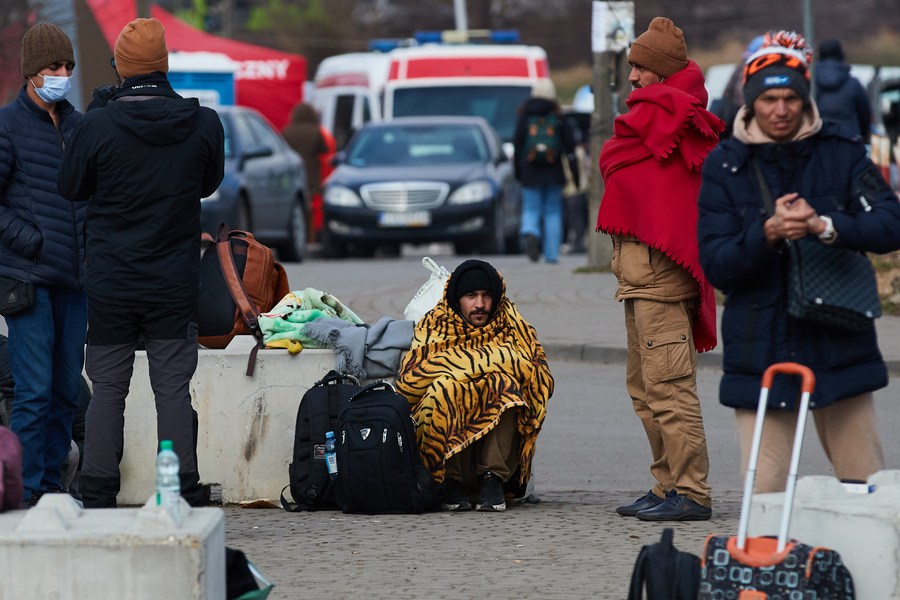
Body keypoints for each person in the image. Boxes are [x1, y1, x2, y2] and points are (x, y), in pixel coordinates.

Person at [698, 30, 900, 493]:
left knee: (864, 491)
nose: (782, 110)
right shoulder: (724, 165)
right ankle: (767, 565)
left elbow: (892, 224)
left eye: (791, 97)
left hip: (839, 335)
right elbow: (717, 263)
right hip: (760, 343)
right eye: (770, 99)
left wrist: (826, 226)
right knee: (764, 495)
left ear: (805, 97)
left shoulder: (842, 150)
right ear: (752, 101)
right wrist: (765, 234)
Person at [57, 17, 225, 508]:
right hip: (173, 280)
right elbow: (208, 183)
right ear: (164, 65)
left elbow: (71, 187)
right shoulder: (204, 123)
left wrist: (95, 118)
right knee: (172, 388)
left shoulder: (98, 124)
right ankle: (180, 488)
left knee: (108, 388)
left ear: (121, 68)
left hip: (111, 281)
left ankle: (99, 491)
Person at [596, 16, 723, 521]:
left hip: (662, 279)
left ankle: (692, 493)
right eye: (630, 66)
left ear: (663, 72)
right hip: (636, 276)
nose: (632, 77)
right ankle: (667, 484)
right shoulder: (652, 120)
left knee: (670, 389)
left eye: (641, 68)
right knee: (644, 391)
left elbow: (681, 204)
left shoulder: (678, 121)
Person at [0, 23, 87, 508]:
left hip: (76, 282)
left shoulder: (79, 126)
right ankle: (26, 493)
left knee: (64, 391)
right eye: (55, 67)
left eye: (68, 67)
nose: (63, 75)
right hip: (28, 281)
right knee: (33, 392)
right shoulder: (7, 125)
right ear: (33, 71)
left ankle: (54, 490)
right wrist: (31, 241)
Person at [395, 259, 553, 512]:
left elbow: (535, 374)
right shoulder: (435, 325)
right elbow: (410, 383)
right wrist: (472, 372)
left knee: (505, 384)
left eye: (486, 296)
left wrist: (478, 373)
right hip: (441, 458)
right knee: (444, 387)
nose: (480, 304)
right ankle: (450, 481)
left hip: (497, 460)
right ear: (457, 298)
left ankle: (492, 479)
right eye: (471, 296)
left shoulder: (511, 325)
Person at [513, 79, 579, 264]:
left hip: (530, 172)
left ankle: (531, 231)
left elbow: (517, 145)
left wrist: (519, 172)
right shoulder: (558, 116)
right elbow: (570, 146)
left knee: (531, 207)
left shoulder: (524, 115)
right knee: (553, 211)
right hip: (554, 171)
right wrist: (575, 175)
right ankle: (551, 254)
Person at [281, 102, 330, 243]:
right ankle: (311, 238)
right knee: (311, 208)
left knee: (296, 206)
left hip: (292, 173)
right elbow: (324, 150)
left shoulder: (286, 131)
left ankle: (296, 238)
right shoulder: (315, 131)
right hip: (311, 173)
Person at [814, 38, 872, 139]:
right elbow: (865, 114)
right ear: (841, 54)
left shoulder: (811, 84)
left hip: (818, 138)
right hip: (850, 138)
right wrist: (864, 136)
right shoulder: (854, 83)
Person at [710, 35, 765, 139]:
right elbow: (730, 92)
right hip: (741, 112)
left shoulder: (742, 66)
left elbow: (728, 90)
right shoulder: (746, 68)